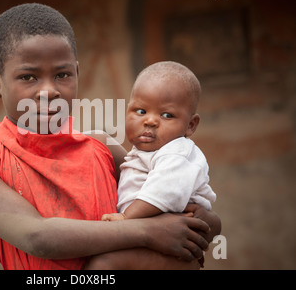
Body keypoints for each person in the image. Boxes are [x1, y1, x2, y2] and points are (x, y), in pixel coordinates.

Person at [0, 3, 221, 270]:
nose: (48, 91)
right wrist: (148, 232)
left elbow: (168, 202)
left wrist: (203, 219)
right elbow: (38, 237)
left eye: (62, 75)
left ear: (77, 73)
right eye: (28, 77)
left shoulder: (101, 147)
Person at [85, 61, 216, 269]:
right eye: (141, 111)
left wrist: (126, 219)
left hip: (172, 245)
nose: (150, 121)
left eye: (167, 115)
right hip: (154, 240)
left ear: (190, 125)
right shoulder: (143, 154)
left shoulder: (178, 152)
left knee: (104, 264)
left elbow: (164, 192)